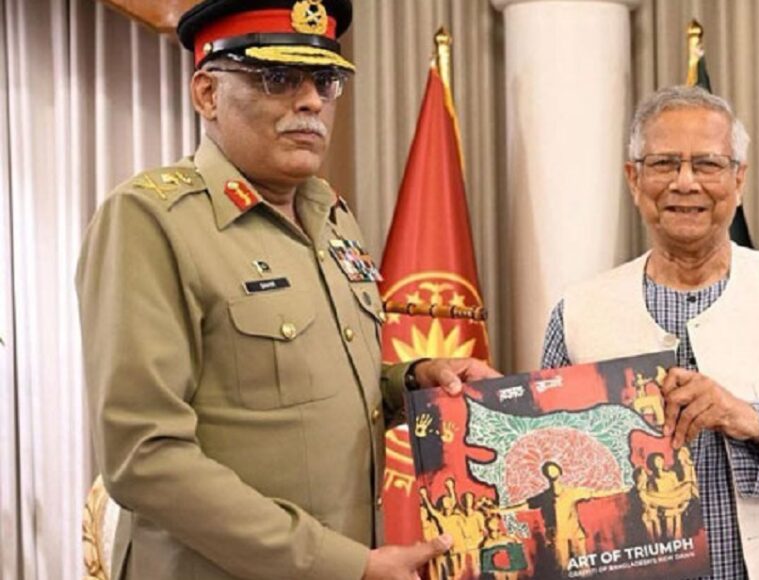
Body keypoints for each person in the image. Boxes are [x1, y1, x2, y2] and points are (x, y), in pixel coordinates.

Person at [75, 1, 499, 579]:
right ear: (207, 94)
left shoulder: (330, 215)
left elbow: (303, 389)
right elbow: (143, 457)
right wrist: (345, 565)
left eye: (325, 80)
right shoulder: (152, 220)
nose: (310, 102)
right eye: (278, 78)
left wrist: (412, 381)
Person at [540, 85, 759, 579]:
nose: (685, 182)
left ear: (739, 179)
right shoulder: (577, 313)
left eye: (707, 164)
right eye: (663, 164)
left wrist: (747, 418)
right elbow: (554, 466)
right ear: (633, 179)